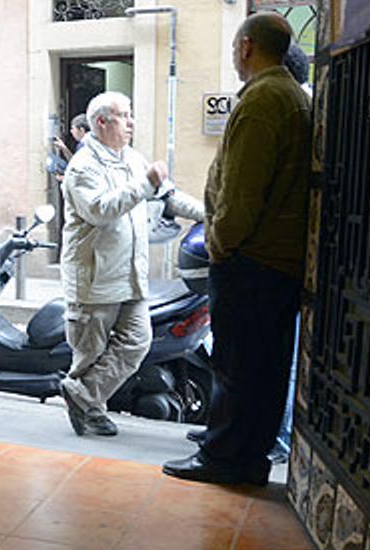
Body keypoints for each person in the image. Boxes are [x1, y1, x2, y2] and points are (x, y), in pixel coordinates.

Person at [163, 13, 312, 485]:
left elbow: (242, 193)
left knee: (237, 366)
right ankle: (246, 457)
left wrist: (219, 246)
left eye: (233, 48)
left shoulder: (264, 100)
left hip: (252, 261)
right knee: (265, 368)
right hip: (278, 261)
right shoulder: (290, 96)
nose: (232, 55)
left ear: (247, 47)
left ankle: (224, 458)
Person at [58, 91, 204, 436]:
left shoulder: (133, 159)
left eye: (131, 114)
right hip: (95, 278)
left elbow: (169, 197)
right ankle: (91, 410)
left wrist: (212, 216)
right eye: (123, 116)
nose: (131, 122)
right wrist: (144, 184)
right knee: (89, 354)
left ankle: (81, 395)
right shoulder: (82, 167)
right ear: (101, 123)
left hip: (131, 276)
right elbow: (100, 209)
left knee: (138, 341)